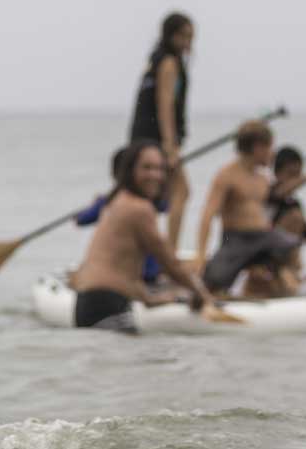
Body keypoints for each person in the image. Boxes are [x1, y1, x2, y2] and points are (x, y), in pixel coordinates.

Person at [72, 140, 215, 333]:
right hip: (107, 304)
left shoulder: (116, 200)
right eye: (147, 168)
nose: (155, 175)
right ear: (131, 170)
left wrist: (150, 299)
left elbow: (123, 269)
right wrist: (202, 295)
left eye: (160, 169)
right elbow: (169, 262)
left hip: (88, 303)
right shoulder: (140, 209)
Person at [196, 122, 303, 297]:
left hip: (263, 236)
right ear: (257, 147)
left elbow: (281, 192)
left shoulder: (262, 177)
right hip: (236, 239)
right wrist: (200, 256)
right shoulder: (226, 175)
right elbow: (207, 216)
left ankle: (290, 287)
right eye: (269, 147)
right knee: (213, 281)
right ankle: (213, 294)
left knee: (290, 244)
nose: (272, 153)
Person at [129, 12, 194, 249]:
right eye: (184, 36)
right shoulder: (168, 62)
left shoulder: (155, 61)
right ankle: (169, 252)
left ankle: (147, 249)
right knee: (181, 192)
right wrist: (169, 146)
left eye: (191, 37)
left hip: (140, 138)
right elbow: (164, 103)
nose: (188, 43)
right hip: (155, 141)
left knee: (149, 195)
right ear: (170, 36)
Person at [74, 146, 168, 284]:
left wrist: (92, 206)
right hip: (151, 271)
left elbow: (81, 220)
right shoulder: (150, 200)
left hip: (130, 274)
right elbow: (166, 206)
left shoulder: (110, 201)